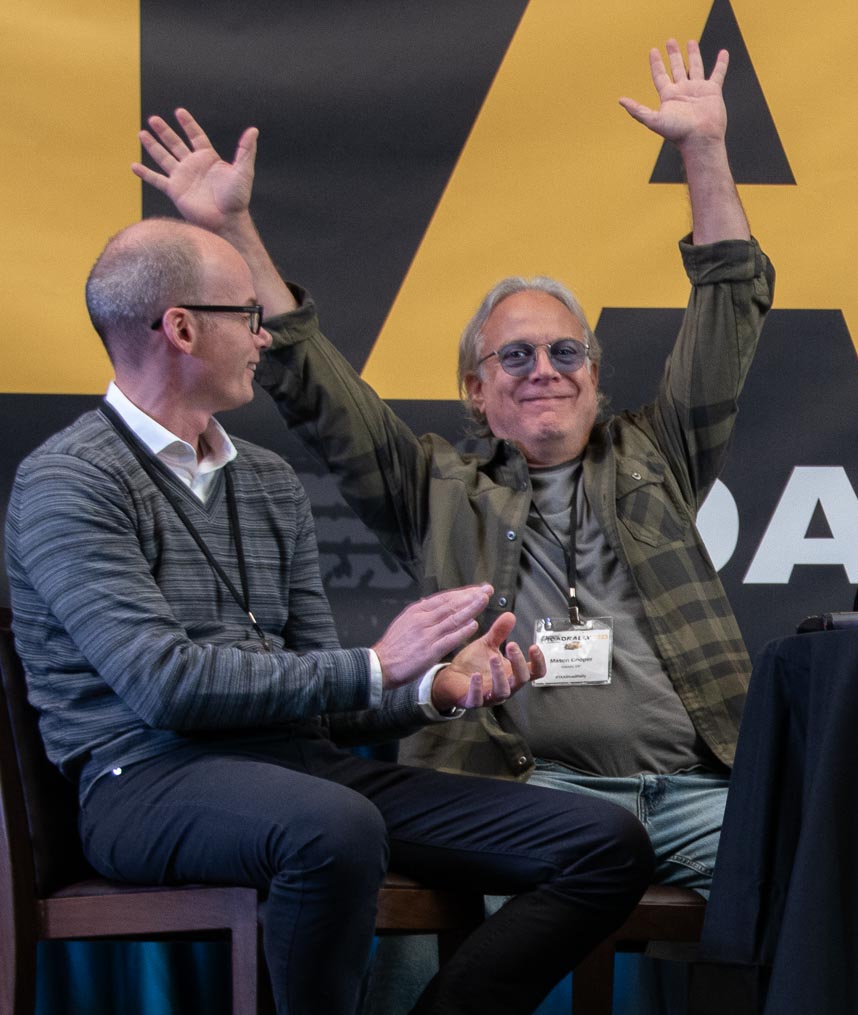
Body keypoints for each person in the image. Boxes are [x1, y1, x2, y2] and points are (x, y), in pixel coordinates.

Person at [135, 41, 767, 906]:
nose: (543, 367)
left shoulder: (656, 455)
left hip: (701, 792)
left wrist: (702, 148)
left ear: (593, 373)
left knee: (816, 893)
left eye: (564, 350)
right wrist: (231, 227)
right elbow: (310, 377)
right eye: (514, 354)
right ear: (475, 389)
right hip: (532, 789)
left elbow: (730, 306)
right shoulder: (432, 485)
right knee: (516, 916)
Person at [4, 216, 653, 1015]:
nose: (261, 339)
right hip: (143, 779)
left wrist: (432, 690)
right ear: (180, 327)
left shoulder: (268, 480)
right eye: (246, 317)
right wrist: (380, 664)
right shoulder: (68, 482)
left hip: (304, 770)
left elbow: (325, 696)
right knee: (331, 826)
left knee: (603, 842)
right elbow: (162, 686)